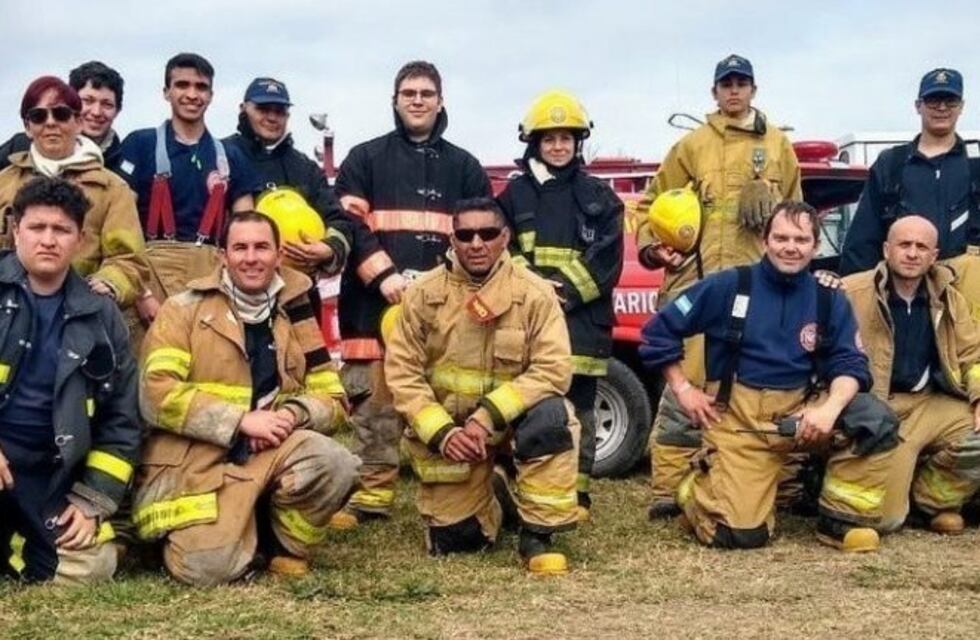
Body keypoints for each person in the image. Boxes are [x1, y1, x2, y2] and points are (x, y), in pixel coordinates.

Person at [640, 201, 897, 551]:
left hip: (804, 414)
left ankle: (839, 523)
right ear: (764, 241)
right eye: (781, 238)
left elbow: (851, 363)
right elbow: (659, 331)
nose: (791, 247)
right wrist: (683, 388)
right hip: (741, 419)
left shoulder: (829, 297)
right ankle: (698, 488)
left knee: (873, 417)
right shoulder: (727, 285)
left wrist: (828, 410)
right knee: (740, 535)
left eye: (801, 239)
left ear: (815, 246)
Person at [134, 211, 358, 585]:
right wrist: (239, 420)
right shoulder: (182, 309)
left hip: (270, 450)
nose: (251, 258)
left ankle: (282, 544)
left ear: (277, 256)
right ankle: (216, 530)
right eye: (240, 247)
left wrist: (294, 414)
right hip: (196, 461)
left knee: (337, 462)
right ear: (222, 255)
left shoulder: (295, 311)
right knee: (206, 569)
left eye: (261, 247)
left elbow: (333, 396)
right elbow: (155, 393)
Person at [635, 54, 803, 518]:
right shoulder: (691, 146)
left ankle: (780, 488)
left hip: (759, 290)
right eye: (725, 84)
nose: (733, 91)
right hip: (698, 282)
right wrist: (655, 248)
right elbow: (651, 205)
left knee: (763, 386)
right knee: (683, 388)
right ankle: (669, 489)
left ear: (754, 89)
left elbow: (798, 219)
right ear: (713, 92)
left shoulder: (779, 147)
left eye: (741, 83)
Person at [331, 60, 491, 527]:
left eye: (426, 93)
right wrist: (384, 277)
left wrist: (438, 282)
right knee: (376, 403)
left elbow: (479, 233)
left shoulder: (465, 167)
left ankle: (445, 490)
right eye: (409, 93)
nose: (417, 100)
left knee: (442, 397)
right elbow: (349, 225)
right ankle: (372, 494)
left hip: (443, 307)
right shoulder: (364, 159)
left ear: (440, 101)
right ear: (395, 101)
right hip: (372, 303)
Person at [385, 197, 579, 574]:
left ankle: (537, 534)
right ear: (452, 239)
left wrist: (487, 417)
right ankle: (497, 494)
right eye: (466, 234)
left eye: (487, 233)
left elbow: (553, 369)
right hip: (453, 435)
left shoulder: (535, 293)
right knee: (459, 543)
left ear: (504, 237)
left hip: (509, 425)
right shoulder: (422, 294)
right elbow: (402, 373)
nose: (477, 243)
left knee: (551, 416)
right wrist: (442, 433)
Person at [0, 176, 140, 583]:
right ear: (15, 231)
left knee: (90, 567)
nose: (48, 240)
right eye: (37, 228)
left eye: (61, 230)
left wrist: (92, 499)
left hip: (52, 476)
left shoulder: (102, 315)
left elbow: (121, 421)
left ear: (79, 239)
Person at [497, 90, 623, 520]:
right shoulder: (513, 197)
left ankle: (578, 493)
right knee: (527, 402)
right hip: (527, 319)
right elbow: (503, 248)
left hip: (582, 322)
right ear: (534, 142)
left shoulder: (600, 196)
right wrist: (536, 293)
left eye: (566, 138)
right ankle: (525, 483)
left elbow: (607, 260)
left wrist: (562, 292)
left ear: (578, 142)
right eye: (549, 138)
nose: (558, 146)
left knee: (581, 408)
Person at [843, 216, 980, 534]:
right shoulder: (851, 292)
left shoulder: (949, 299)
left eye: (922, 247)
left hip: (928, 404)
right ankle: (898, 496)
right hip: (878, 409)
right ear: (886, 249)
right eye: (904, 245)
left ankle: (930, 500)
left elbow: (973, 356)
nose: (912, 253)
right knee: (885, 520)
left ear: (934, 256)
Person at [116, 52, 258, 327]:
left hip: (212, 279)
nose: (192, 94)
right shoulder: (140, 144)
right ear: (166, 92)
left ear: (211, 95)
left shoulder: (232, 156)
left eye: (201, 87)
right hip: (149, 283)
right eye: (182, 85)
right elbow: (120, 225)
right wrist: (141, 293)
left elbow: (246, 230)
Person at [0, 76, 148, 310]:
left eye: (61, 114)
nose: (50, 123)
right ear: (28, 127)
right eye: (38, 116)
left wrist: (109, 284)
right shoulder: (4, 183)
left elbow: (130, 260)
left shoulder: (113, 189)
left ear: (78, 121)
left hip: (81, 313)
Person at [223, 76, 354, 316]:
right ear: (243, 109)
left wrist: (328, 249)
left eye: (280, 111)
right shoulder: (220, 156)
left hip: (298, 297)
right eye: (263, 109)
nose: (272, 117)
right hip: (234, 299)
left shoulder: (305, 167)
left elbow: (340, 221)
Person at [841, 69, 977, 275]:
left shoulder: (976, 163)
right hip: (905, 288)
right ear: (918, 106)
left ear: (962, 107)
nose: (942, 107)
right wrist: (854, 293)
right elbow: (863, 240)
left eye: (950, 101)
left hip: (967, 288)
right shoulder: (891, 163)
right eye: (933, 100)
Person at [0, 61, 126, 172]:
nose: (96, 112)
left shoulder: (124, 164)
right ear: (70, 101)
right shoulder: (20, 146)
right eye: (87, 101)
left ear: (118, 111)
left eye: (107, 104)